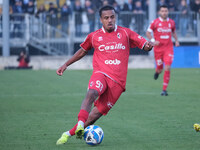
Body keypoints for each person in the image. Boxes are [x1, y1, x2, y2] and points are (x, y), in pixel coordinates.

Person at [56, 5, 153, 145]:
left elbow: (143, 44)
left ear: (115, 17)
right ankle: (80, 123)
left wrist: (148, 46)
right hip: (101, 73)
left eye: (112, 17)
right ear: (101, 19)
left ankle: (68, 133)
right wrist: (65, 65)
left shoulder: (125, 33)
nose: (110, 20)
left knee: (94, 116)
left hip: (118, 83)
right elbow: (82, 51)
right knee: (92, 92)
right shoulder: (94, 36)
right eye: (106, 18)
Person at [146, 5, 180, 96]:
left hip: (168, 48)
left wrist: (176, 40)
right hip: (158, 50)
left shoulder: (171, 22)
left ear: (168, 12)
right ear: (159, 12)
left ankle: (164, 90)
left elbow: (173, 32)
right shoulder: (155, 22)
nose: (164, 12)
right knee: (160, 69)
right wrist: (153, 41)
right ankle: (157, 72)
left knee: (168, 67)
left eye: (165, 11)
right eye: (162, 11)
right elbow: (148, 32)